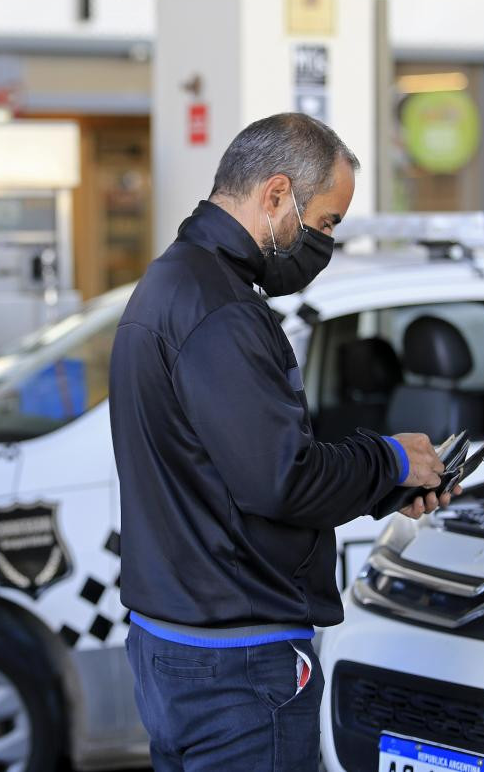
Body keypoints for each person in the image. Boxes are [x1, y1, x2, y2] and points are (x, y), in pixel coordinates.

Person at [109, 113, 458, 770]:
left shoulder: (170, 283)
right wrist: (386, 458)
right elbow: (281, 479)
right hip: (237, 665)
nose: (325, 242)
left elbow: (221, 473)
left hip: (176, 642)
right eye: (325, 222)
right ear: (275, 197)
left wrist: (385, 486)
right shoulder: (223, 311)